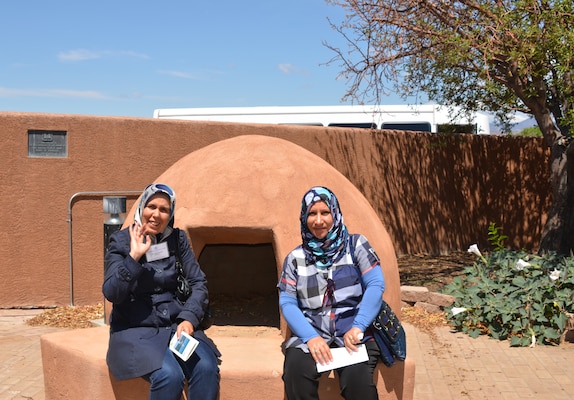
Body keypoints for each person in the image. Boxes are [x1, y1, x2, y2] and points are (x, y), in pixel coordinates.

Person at [103, 183, 220, 400]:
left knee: (206, 368)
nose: (156, 214)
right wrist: (133, 258)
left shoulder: (178, 240)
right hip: (135, 329)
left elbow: (198, 283)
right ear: (141, 208)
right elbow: (112, 292)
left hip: (176, 326)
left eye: (164, 209)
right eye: (151, 207)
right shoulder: (120, 241)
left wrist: (189, 318)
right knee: (169, 375)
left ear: (171, 213)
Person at [278, 186, 385, 400]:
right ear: (304, 217)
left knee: (358, 384)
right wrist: (311, 337)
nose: (319, 221)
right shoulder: (295, 259)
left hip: (353, 333)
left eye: (325, 213)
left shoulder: (356, 246)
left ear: (335, 213)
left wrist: (358, 327)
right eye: (312, 214)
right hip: (313, 332)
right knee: (295, 374)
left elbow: (376, 284)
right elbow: (287, 301)